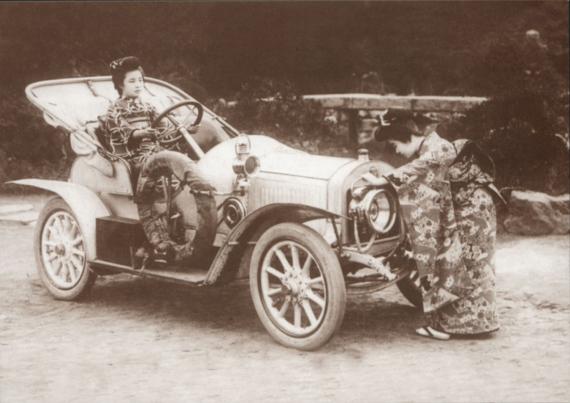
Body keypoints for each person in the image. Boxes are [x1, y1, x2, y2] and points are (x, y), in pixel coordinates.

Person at [99, 56, 215, 267]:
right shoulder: (114, 110)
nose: (138, 85)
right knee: (162, 165)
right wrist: (141, 133)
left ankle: (194, 219)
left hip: (157, 153)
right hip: (135, 159)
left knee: (183, 161)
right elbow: (120, 133)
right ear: (120, 85)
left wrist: (184, 129)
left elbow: (165, 128)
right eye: (132, 81)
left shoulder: (148, 106)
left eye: (140, 80)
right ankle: (159, 240)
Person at [370, 110, 474, 340]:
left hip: (471, 210)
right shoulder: (432, 147)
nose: (396, 150)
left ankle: (443, 326)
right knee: (455, 263)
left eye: (394, 144)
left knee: (442, 257)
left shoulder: (437, 148)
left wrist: (384, 180)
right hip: (466, 207)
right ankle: (463, 324)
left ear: (404, 136)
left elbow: (418, 171)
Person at [428, 139, 503, 335]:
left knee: (463, 268)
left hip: (470, 218)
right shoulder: (474, 171)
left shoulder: (454, 172)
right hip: (484, 211)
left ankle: (460, 326)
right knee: (483, 268)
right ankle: (485, 322)